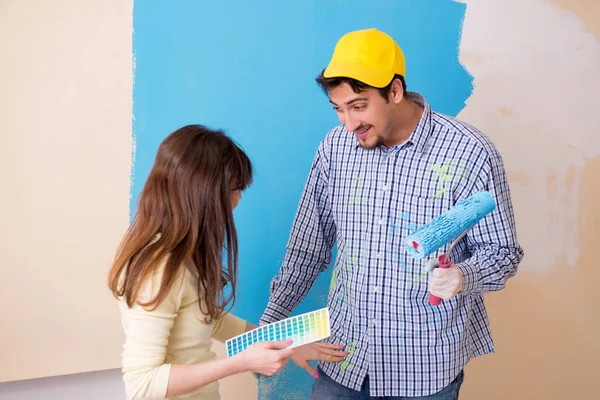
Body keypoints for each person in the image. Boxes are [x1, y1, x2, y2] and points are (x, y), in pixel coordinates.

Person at [260, 28, 524, 399]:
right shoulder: (337, 148)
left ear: (395, 91)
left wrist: (463, 276)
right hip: (344, 358)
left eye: (359, 106)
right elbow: (307, 247)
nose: (349, 124)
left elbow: (503, 254)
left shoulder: (470, 153)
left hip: (423, 369)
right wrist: (269, 326)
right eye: (339, 109)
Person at [108, 125, 293, 400]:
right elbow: (142, 385)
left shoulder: (182, 255)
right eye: (235, 188)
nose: (239, 198)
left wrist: (286, 342)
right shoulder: (158, 268)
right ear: (204, 193)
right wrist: (242, 363)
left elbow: (205, 320)